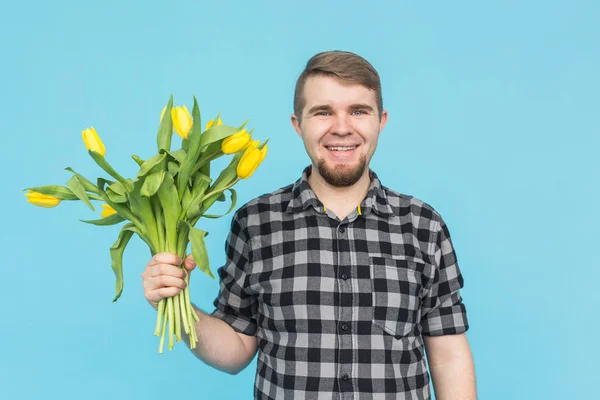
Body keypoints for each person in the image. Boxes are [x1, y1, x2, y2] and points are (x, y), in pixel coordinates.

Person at [142, 51, 476, 399]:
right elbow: (237, 347)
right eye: (323, 112)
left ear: (381, 120)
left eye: (359, 111)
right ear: (297, 124)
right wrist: (176, 305)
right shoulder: (256, 223)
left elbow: (449, 353)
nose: (342, 127)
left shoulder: (423, 226)